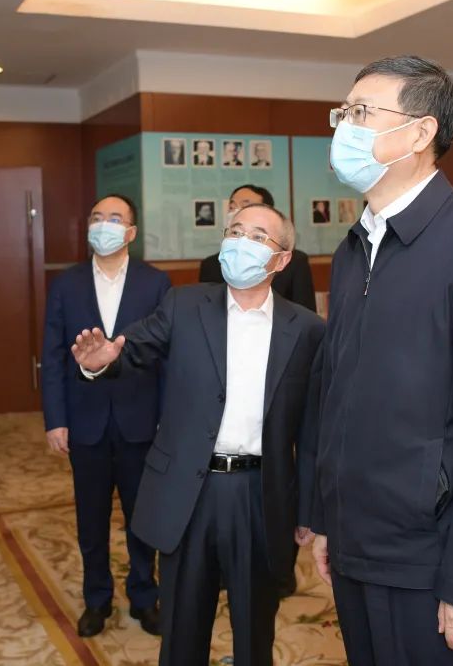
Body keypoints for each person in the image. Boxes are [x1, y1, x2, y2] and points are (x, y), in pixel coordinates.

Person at [310, 55, 453, 666]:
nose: (344, 128)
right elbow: (338, 395)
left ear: (419, 133)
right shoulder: (356, 246)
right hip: (359, 540)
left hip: (431, 557)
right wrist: (329, 520)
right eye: (343, 113)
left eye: (362, 113)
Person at [71, 203, 325, 666]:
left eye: (258, 237)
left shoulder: (306, 329)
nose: (242, 242)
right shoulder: (184, 305)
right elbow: (132, 350)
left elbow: (311, 429)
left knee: (255, 631)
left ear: (283, 258)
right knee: (183, 630)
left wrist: (309, 507)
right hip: (190, 490)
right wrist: (102, 362)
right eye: (235, 231)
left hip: (259, 495)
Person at [41, 194, 171, 638]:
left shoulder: (156, 284)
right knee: (91, 521)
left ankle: (144, 597)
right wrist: (55, 419)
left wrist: (167, 419)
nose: (104, 225)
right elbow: (53, 356)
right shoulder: (67, 284)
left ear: (131, 232)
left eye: (115, 218)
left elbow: (167, 358)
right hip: (86, 422)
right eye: (97, 217)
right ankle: (96, 600)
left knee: (143, 518)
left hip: (141, 421)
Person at [198, 185, 317, 312]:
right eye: (232, 207)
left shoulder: (294, 261)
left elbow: (305, 313)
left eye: (246, 205)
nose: (236, 211)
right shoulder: (211, 264)